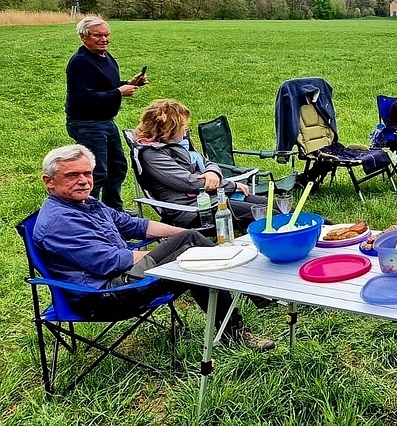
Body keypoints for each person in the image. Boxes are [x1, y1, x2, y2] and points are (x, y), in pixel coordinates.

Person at [32, 144, 274, 350]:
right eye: (72, 175)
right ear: (48, 181)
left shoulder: (87, 203)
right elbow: (108, 262)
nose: (84, 181)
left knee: (192, 246)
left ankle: (240, 315)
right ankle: (245, 308)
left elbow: (134, 225)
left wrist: (186, 239)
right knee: (192, 252)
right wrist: (179, 251)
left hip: (121, 278)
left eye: (87, 173)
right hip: (104, 295)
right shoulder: (59, 221)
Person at [134, 99, 266, 231]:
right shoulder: (152, 155)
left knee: (269, 206)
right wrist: (232, 185)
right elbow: (190, 182)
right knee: (264, 215)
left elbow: (207, 162)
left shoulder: (181, 144)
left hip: (215, 197)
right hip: (195, 210)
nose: (186, 128)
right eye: (182, 125)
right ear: (168, 130)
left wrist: (212, 173)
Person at [65, 16, 147, 211]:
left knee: (117, 167)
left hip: (106, 121)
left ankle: (113, 211)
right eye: (98, 36)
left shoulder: (105, 56)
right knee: (97, 172)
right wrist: (119, 92)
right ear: (83, 37)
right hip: (87, 123)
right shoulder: (80, 62)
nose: (104, 39)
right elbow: (83, 97)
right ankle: (88, 213)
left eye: (106, 35)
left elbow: (105, 87)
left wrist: (129, 83)